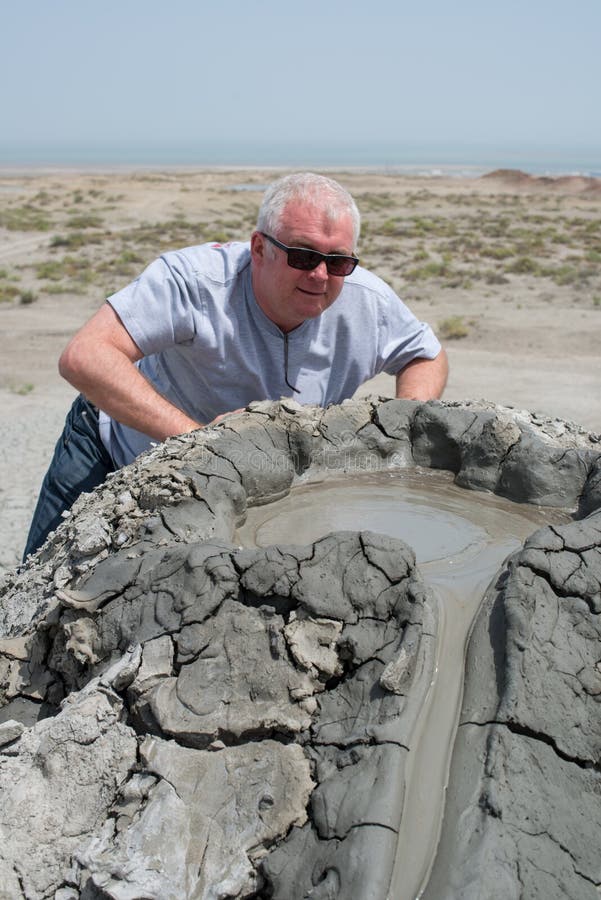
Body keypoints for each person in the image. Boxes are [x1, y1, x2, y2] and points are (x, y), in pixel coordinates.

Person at [23, 172, 448, 560]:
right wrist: (201, 444)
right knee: (40, 596)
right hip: (118, 449)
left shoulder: (367, 301)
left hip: (257, 486)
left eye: (337, 261)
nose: (320, 275)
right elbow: (86, 356)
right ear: (259, 248)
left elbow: (425, 355)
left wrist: (400, 431)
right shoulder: (196, 282)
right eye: (303, 256)